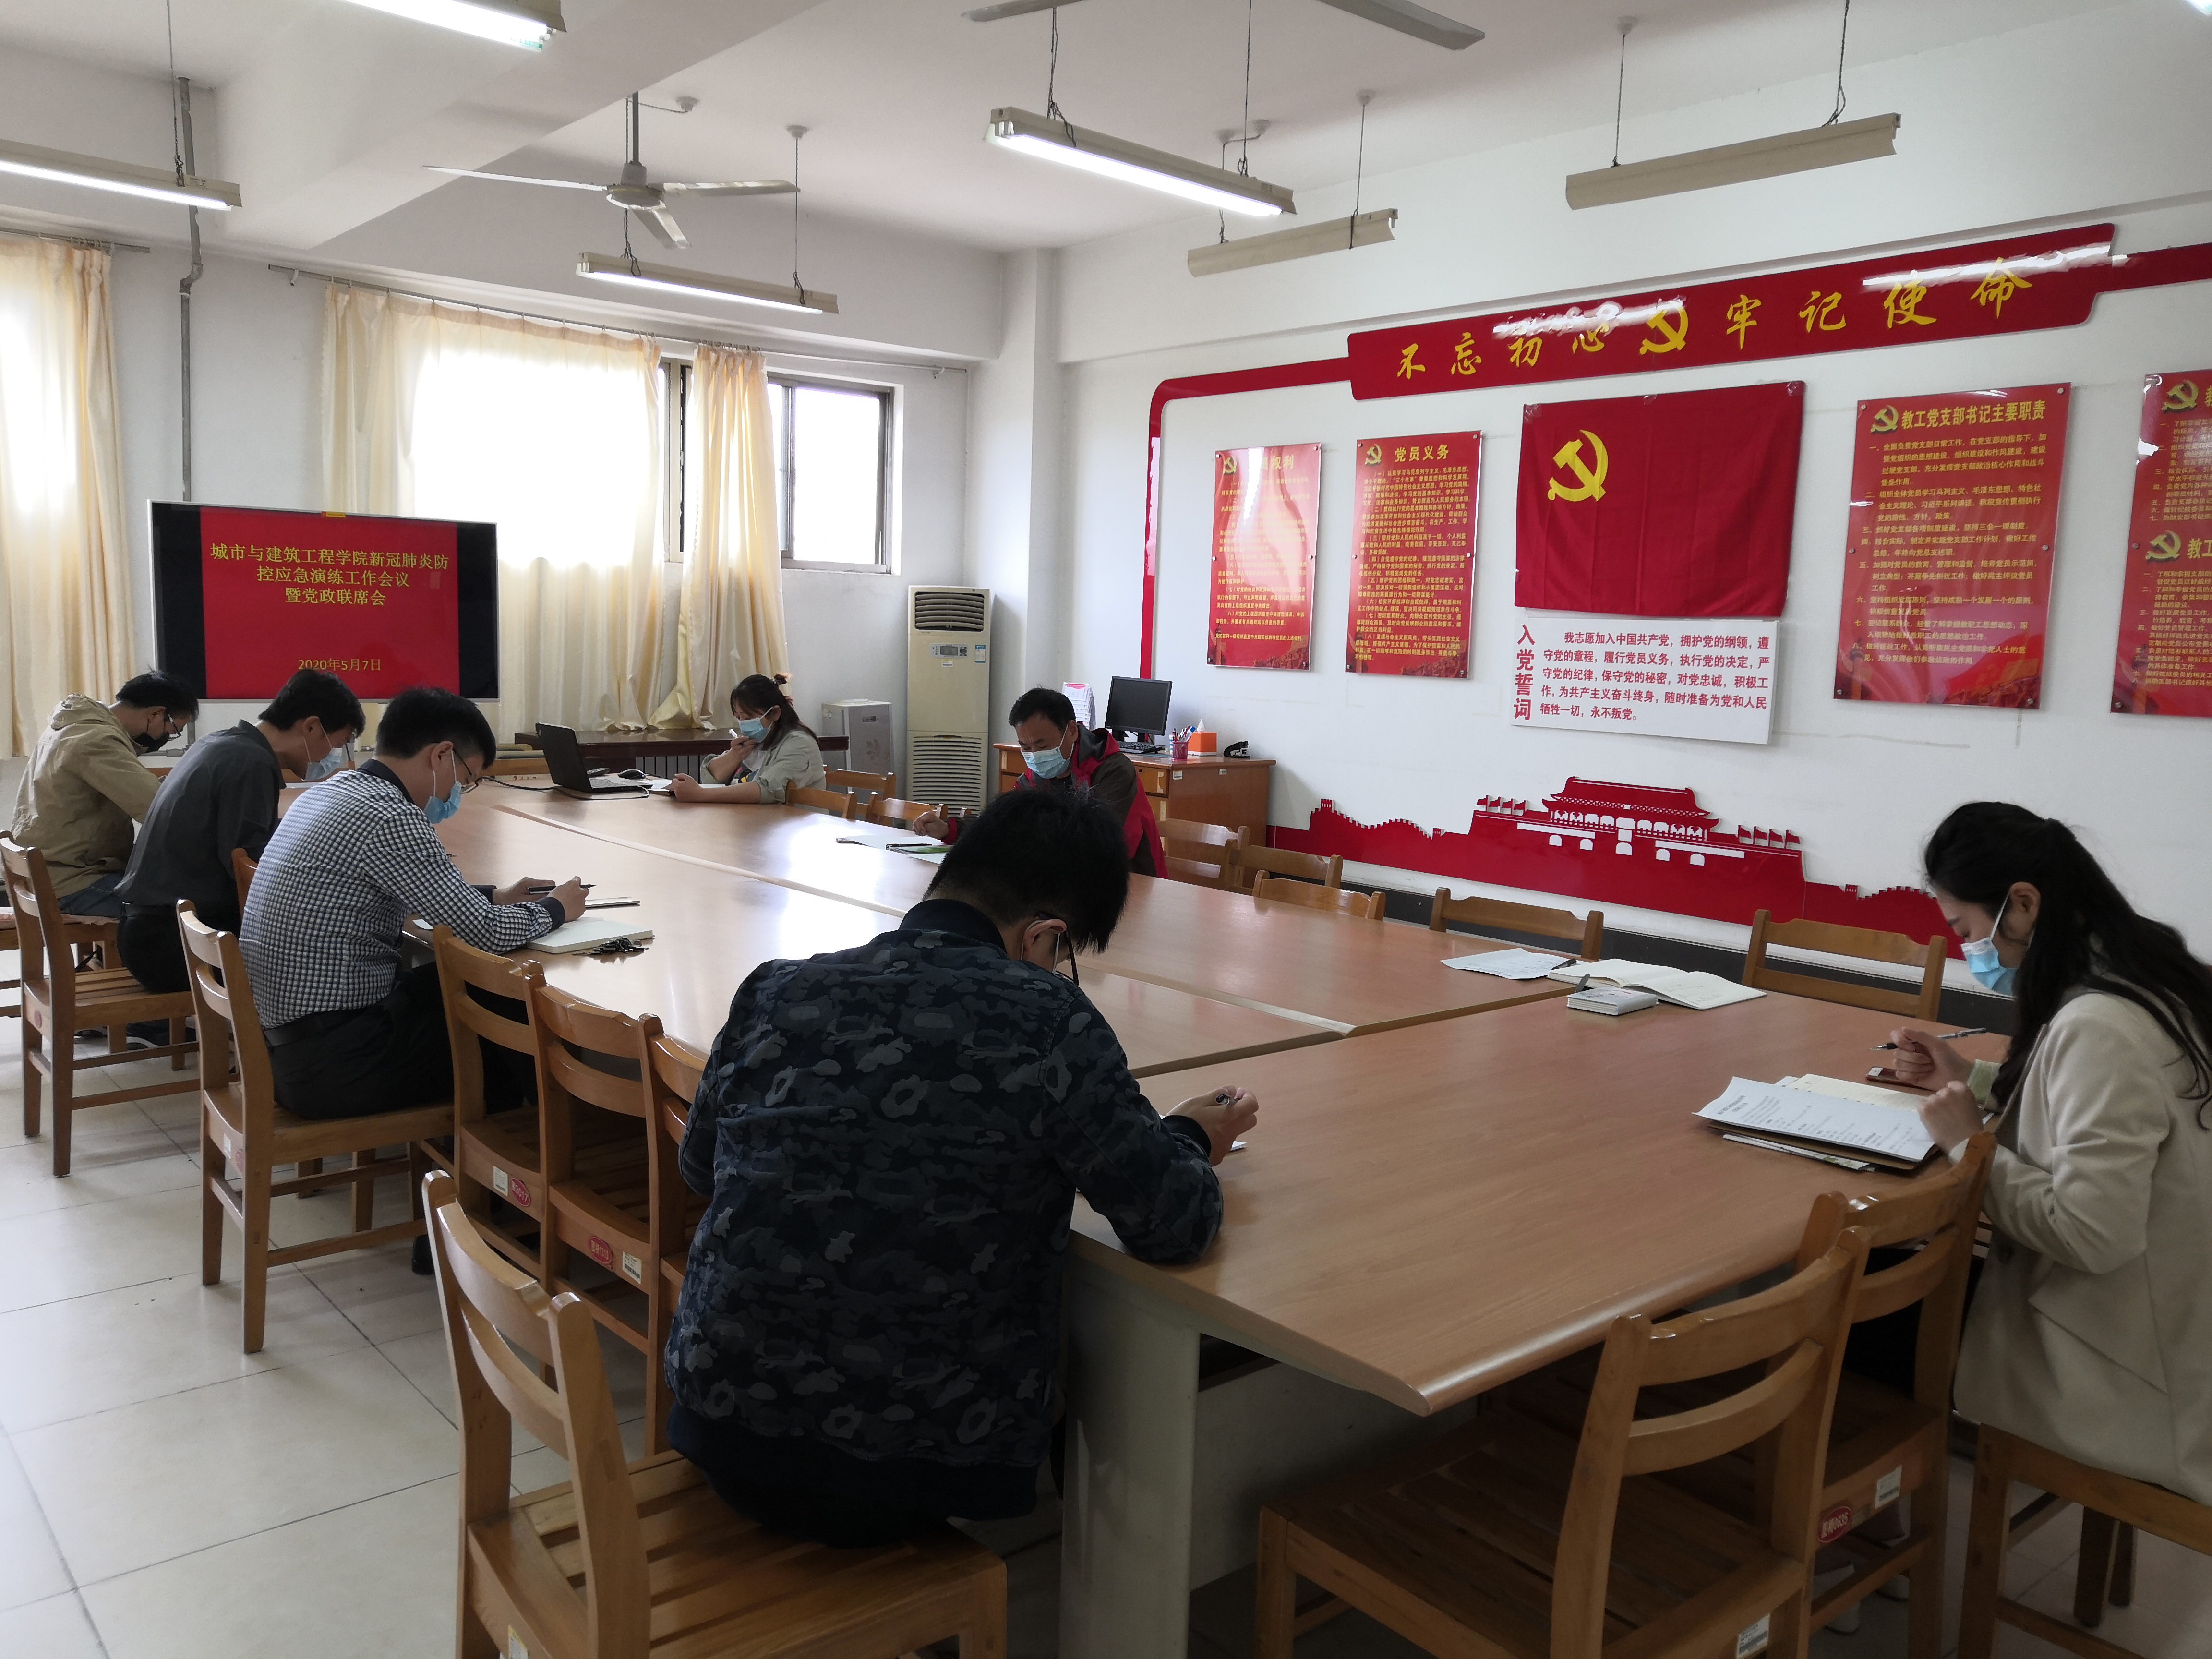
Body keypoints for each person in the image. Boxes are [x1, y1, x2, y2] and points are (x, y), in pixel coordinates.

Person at [666, 786, 1259, 1547]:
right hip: (915, 1471)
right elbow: (1174, 1224)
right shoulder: (1049, 1021)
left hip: (720, 1429)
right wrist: (1186, 1136)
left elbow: (701, 1169)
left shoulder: (775, 988)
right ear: (1045, 937)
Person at [1894, 801, 2212, 1503]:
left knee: (1863, 1320)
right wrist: (1972, 1080)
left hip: (2129, 1363)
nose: (1971, 952)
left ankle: (1868, 1515)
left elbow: (2092, 1235)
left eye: (1967, 930)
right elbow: (2096, 1111)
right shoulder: (2149, 974)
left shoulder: (2100, 1025)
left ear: (2024, 904)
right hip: (2175, 1313)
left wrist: (1969, 1145)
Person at [239, 685, 585, 1122]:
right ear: (441, 755)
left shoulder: (334, 791)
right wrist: (557, 909)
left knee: (473, 988)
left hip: (290, 1050)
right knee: (508, 1011)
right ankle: (548, 1143)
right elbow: (486, 933)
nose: (457, 793)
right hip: (335, 1064)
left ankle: (513, 1144)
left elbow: (397, 890)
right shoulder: (390, 816)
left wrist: (495, 897)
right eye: (465, 780)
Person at [115, 669, 364, 995]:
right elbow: (249, 872)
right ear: (311, 727)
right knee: (340, 958)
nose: (333, 757)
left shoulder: (222, 743)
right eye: (338, 744)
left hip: (152, 930)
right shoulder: (251, 763)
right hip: (172, 946)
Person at [913, 687, 1165, 876]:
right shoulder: (1034, 779)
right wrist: (948, 830)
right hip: (1062, 886)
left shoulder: (1113, 771)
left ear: (1072, 731)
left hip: (1129, 886)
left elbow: (1105, 848)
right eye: (1025, 747)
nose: (1034, 755)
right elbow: (1001, 824)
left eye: (1042, 745)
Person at [9, 671, 198, 919]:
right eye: (172, 730)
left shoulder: (75, 724)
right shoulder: (97, 740)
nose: (168, 738)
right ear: (156, 714)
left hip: (53, 872)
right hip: (73, 883)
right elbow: (157, 808)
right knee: (188, 909)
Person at [667, 673, 825, 805]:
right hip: (754, 822)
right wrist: (733, 756)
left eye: (749, 717)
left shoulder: (799, 743)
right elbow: (711, 778)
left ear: (775, 713)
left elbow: (767, 789)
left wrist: (700, 795)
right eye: (739, 717)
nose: (743, 724)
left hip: (793, 828)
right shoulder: (757, 741)